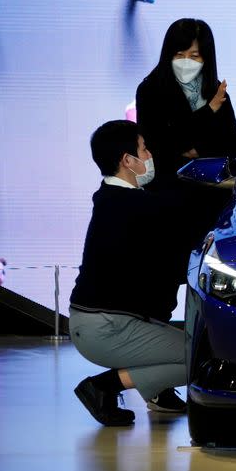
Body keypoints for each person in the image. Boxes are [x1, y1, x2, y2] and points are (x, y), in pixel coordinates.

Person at [69, 120, 197, 426]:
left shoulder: (110, 198)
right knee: (202, 356)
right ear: (128, 160)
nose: (150, 155)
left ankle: (121, 388)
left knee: (191, 349)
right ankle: (104, 386)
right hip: (108, 328)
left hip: (95, 323)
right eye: (144, 149)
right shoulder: (136, 206)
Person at [136, 18, 236, 191]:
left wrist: (195, 150)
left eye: (194, 56)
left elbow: (234, 144)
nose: (186, 61)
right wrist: (209, 111)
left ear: (206, 57)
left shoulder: (215, 91)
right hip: (168, 190)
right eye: (179, 54)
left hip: (212, 190)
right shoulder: (150, 90)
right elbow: (158, 146)